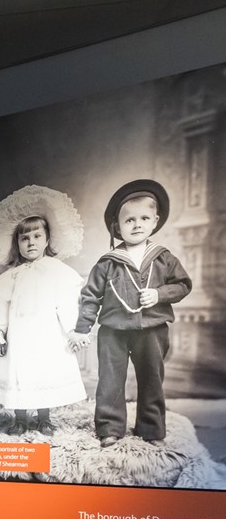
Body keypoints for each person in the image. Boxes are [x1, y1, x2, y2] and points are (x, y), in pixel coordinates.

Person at [69, 180, 192, 446]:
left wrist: (159, 295)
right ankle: (110, 429)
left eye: (144, 218)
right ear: (117, 227)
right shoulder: (107, 263)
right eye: (129, 220)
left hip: (152, 329)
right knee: (110, 380)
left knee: (152, 380)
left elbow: (183, 285)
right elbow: (90, 297)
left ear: (155, 221)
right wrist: (82, 328)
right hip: (113, 331)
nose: (137, 224)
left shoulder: (163, 258)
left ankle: (151, 429)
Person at [0, 185, 88, 434]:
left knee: (44, 372)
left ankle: (44, 418)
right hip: (19, 337)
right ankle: (20, 419)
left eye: (36, 236)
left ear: (47, 239)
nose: (30, 242)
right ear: (17, 243)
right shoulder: (11, 277)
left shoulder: (56, 271)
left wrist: (72, 330)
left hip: (47, 334)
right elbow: (0, 308)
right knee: (19, 374)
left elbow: (66, 303)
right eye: (24, 238)